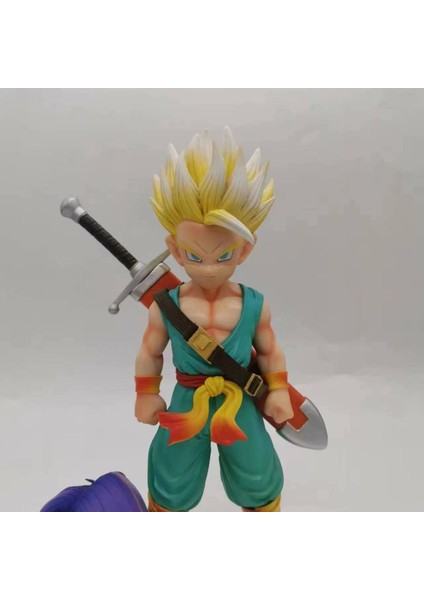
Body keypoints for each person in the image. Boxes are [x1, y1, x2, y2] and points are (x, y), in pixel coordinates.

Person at [134, 127, 293, 512]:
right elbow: (150, 352)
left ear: (244, 250)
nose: (208, 268)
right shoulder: (166, 305)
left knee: (257, 473)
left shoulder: (253, 304)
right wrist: (146, 393)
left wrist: (278, 390)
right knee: (171, 475)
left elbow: (270, 350)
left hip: (240, 402)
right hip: (187, 400)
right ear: (175, 250)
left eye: (223, 256)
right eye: (194, 255)